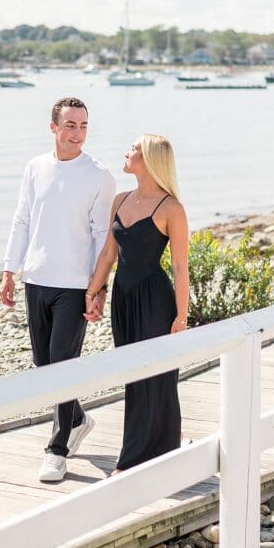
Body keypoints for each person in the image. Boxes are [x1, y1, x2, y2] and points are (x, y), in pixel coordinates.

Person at [0, 97, 116, 482]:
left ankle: (58, 448)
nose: (77, 134)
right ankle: (78, 418)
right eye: (70, 125)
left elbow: (103, 236)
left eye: (83, 126)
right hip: (36, 280)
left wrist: (98, 289)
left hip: (74, 286)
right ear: (53, 127)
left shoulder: (99, 176)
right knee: (44, 367)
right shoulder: (35, 168)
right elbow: (22, 220)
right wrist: (9, 270)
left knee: (63, 368)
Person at [84, 133, 189, 471]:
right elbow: (108, 254)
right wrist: (92, 293)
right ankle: (149, 451)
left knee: (158, 377)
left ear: (150, 160)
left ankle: (137, 458)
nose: (126, 153)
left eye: (134, 149)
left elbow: (179, 266)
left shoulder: (171, 208)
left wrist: (182, 316)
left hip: (156, 300)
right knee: (133, 375)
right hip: (124, 300)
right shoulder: (121, 200)